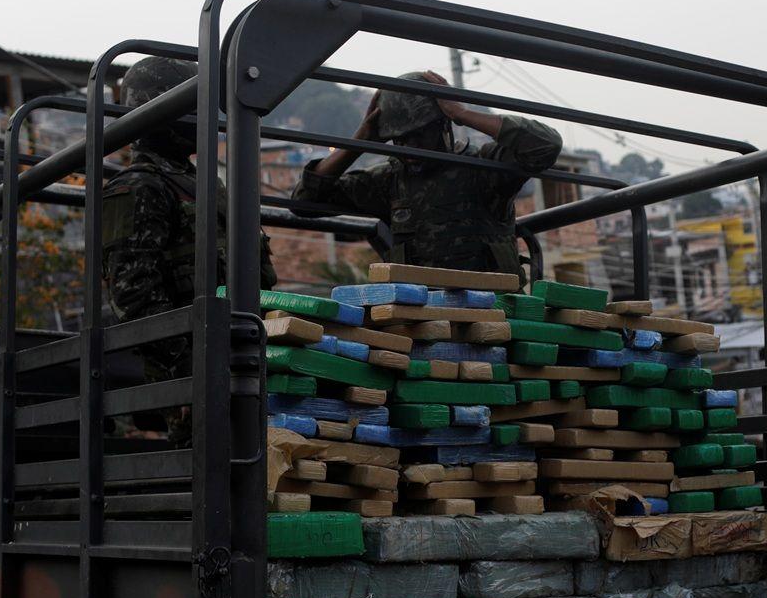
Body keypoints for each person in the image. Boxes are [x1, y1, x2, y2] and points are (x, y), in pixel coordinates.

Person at [102, 56, 277, 446]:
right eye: (187, 109)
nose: (198, 120)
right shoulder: (137, 187)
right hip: (195, 368)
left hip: (247, 351)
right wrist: (190, 367)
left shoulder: (205, 185)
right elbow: (134, 297)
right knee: (219, 469)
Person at [291, 70, 562, 278]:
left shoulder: (484, 168)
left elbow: (545, 145)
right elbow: (304, 201)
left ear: (443, 126)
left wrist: (463, 113)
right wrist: (361, 140)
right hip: (422, 319)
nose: (409, 148)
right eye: (400, 140)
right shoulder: (389, 182)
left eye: (419, 136)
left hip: (491, 314)